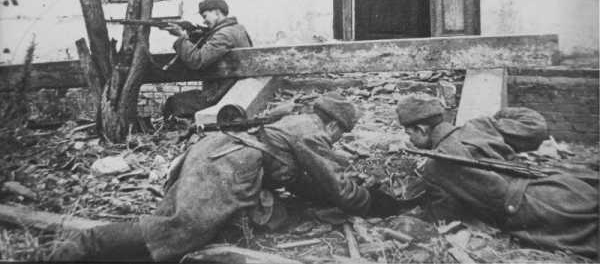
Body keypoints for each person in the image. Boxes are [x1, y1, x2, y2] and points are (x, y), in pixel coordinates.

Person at [49, 93, 397, 262]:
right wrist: (370, 203)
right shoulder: (311, 130)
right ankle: (82, 246)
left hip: (219, 154)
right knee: (180, 228)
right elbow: (334, 181)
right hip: (225, 164)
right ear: (333, 124)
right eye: (340, 134)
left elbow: (299, 178)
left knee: (176, 228)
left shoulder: (295, 122)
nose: (337, 140)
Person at [395, 95, 598, 258]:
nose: (409, 139)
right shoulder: (478, 126)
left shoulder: (435, 167)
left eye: (409, 133)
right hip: (558, 185)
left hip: (535, 211)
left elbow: (446, 219)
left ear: (421, 130)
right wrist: (498, 116)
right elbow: (536, 126)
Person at [161, 0, 252, 120]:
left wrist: (181, 37)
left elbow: (197, 61)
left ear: (217, 13)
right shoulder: (237, 29)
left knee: (173, 103)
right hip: (235, 90)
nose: (204, 22)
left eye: (205, 16)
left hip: (222, 95)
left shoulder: (224, 34)